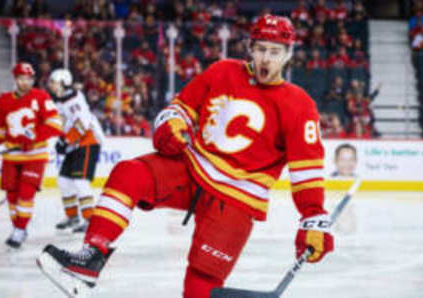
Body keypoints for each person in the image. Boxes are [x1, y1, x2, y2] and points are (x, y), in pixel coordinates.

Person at [37, 15, 334, 298]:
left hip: (236, 200)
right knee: (129, 174)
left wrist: (313, 217)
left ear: (287, 54)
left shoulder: (300, 105)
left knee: (201, 282)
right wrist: (171, 125)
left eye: (274, 51)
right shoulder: (222, 71)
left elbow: (306, 170)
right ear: (250, 49)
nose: (266, 58)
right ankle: (90, 258)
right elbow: (179, 108)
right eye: (260, 49)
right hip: (191, 168)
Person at [0, 62, 62, 249]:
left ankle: (20, 229)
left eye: (29, 79)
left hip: (35, 155)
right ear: (16, 79)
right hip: (12, 156)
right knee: (12, 196)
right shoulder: (5, 100)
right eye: (22, 79)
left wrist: (34, 138)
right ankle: (18, 228)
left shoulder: (41, 97)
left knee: (25, 194)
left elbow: (55, 124)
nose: (26, 82)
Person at [48, 69, 104, 233]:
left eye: (54, 82)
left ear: (64, 83)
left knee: (81, 182)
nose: (51, 85)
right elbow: (64, 123)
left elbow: (83, 123)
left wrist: (66, 140)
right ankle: (72, 217)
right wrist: (61, 139)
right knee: (64, 181)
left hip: (88, 142)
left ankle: (89, 219)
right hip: (75, 144)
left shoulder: (74, 99)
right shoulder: (60, 101)